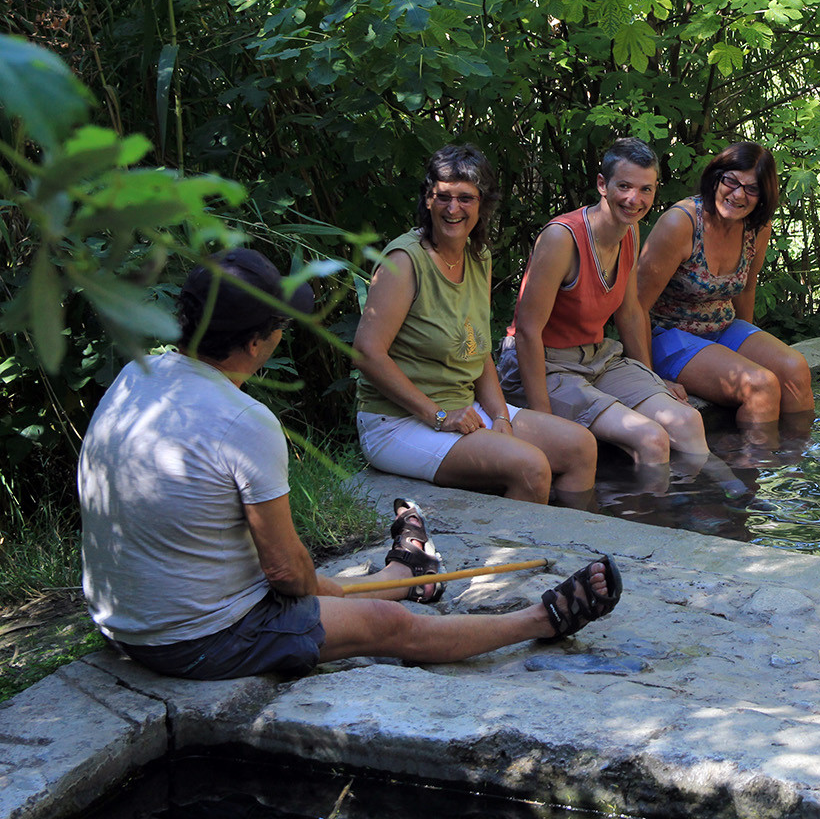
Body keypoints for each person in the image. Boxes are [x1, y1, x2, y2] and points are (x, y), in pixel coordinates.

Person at [77, 248, 621, 682]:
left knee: (325, 588)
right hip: (194, 641)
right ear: (254, 343)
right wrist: (328, 593)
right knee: (387, 626)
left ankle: (407, 570)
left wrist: (321, 590)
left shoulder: (138, 374)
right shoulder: (243, 421)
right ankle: (541, 620)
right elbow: (287, 577)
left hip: (121, 623)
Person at [353, 145, 596, 507]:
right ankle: (515, 555)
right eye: (443, 197)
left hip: (466, 409)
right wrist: (437, 415)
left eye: (465, 198)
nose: (453, 209)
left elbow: (477, 347)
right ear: (427, 199)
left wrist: (500, 416)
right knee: (531, 467)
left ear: (483, 203)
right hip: (398, 422)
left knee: (580, 446)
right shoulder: (405, 262)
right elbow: (366, 354)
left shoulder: (477, 255)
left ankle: (573, 548)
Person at [498, 138, 709, 466]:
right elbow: (526, 331)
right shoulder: (560, 238)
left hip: (597, 358)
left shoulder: (631, 231)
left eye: (645, 189)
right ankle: (645, 517)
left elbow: (628, 313)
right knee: (649, 438)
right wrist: (543, 418)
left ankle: (710, 511)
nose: (634, 199)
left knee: (688, 421)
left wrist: (651, 378)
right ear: (602, 184)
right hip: (546, 365)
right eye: (624, 186)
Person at [634, 141, 813, 428]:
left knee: (795, 368)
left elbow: (748, 288)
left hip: (722, 329)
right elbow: (635, 305)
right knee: (760, 386)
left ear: (763, 195)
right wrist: (648, 379)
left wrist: (745, 348)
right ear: (716, 177)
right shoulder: (680, 223)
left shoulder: (757, 228)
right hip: (667, 336)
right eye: (731, 181)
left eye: (751, 188)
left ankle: (795, 466)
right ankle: (753, 471)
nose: (738, 194)